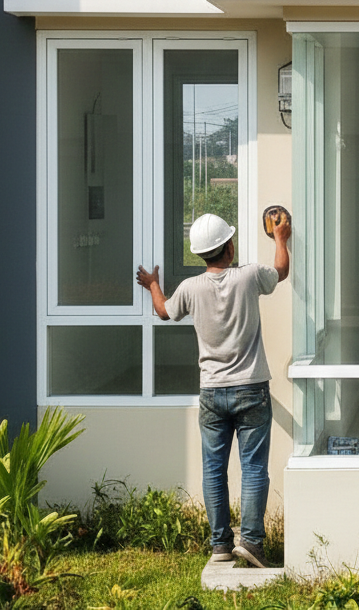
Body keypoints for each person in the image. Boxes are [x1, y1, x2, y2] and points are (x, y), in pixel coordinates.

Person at [136, 211, 290, 568]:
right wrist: (280, 238)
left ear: (199, 253)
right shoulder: (249, 276)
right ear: (229, 247)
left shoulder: (190, 289)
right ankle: (251, 542)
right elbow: (280, 271)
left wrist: (153, 284)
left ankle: (220, 544)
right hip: (251, 388)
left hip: (211, 393)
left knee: (214, 470)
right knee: (253, 468)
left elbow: (163, 312)